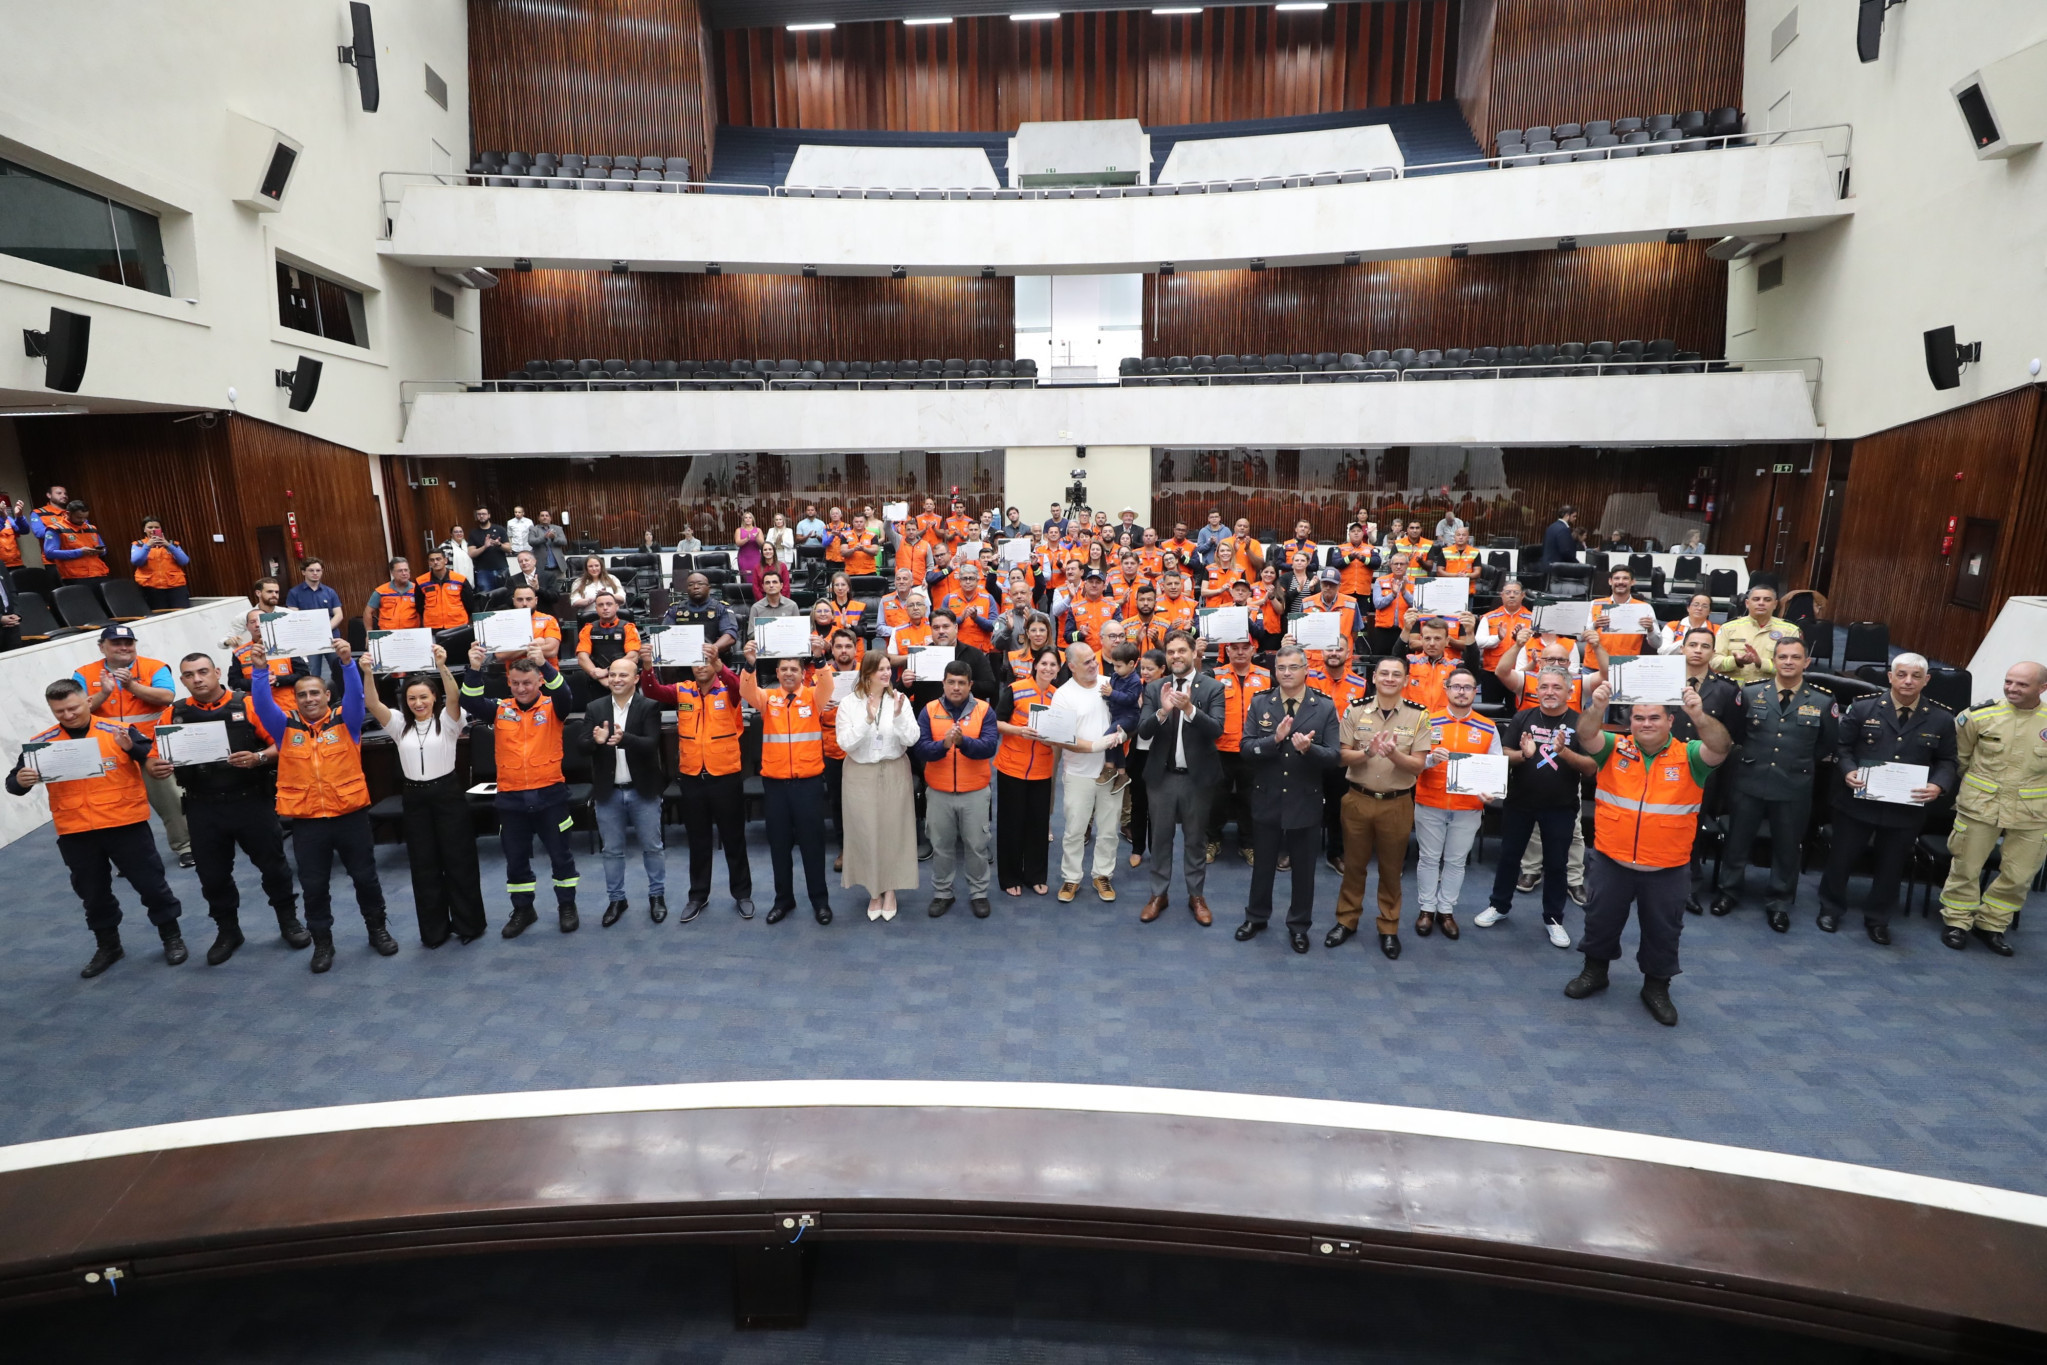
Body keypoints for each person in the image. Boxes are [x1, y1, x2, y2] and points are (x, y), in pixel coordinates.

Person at [1567, 682, 1731, 1026]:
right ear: (1630, 722)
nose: (1645, 723)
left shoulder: (1690, 756)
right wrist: (1597, 707)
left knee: (1663, 931)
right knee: (1600, 921)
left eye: (1654, 717)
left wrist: (1699, 716)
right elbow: (1585, 735)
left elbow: (1721, 746)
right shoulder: (1613, 748)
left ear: (1670, 721)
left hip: (1667, 867)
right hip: (1613, 861)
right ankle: (1595, 972)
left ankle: (1656, 987)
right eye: (1638, 717)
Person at [8, 678, 186, 976]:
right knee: (93, 894)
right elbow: (14, 785)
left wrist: (133, 749)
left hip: (125, 825)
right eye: (59, 711)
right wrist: (20, 781)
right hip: (75, 831)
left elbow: (152, 757)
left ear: (87, 702)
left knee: (151, 886)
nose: (67, 715)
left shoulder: (116, 732)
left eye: (73, 708)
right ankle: (109, 946)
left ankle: (172, 937)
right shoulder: (41, 744)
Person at [247, 640, 397, 973]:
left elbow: (357, 698)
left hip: (350, 816)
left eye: (315, 693)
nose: (309, 699)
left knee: (366, 878)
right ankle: (322, 943)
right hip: (308, 822)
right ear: (295, 700)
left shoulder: (348, 723)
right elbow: (261, 704)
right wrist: (259, 671)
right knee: (314, 887)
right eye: (302, 695)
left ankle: (377, 929)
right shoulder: (285, 728)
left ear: (327, 695)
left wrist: (347, 664)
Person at [148, 651, 304, 963]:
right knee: (213, 875)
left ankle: (288, 921)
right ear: (182, 680)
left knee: (273, 866)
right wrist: (156, 767)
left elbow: (285, 742)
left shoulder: (245, 704)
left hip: (250, 801)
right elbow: (154, 756)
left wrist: (259, 757)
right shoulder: (173, 715)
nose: (198, 679)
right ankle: (228, 930)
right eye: (190, 675)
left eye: (203, 672)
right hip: (202, 806)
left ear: (217, 672)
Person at [1819, 653, 1956, 945]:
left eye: (1916, 676)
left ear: (1926, 680)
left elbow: (1947, 760)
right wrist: (1848, 771)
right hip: (1857, 802)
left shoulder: (1942, 718)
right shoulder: (1862, 707)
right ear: (1890, 677)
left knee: (1892, 867)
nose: (1908, 681)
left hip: (1905, 808)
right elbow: (1842, 748)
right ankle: (1830, 908)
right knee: (1841, 859)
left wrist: (1938, 786)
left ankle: (1878, 919)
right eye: (1902, 674)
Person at [357, 643, 485, 947]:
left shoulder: (449, 721)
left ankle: (469, 925)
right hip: (414, 798)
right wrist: (367, 672)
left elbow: (454, 696)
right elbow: (373, 703)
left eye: (423, 697)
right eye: (412, 698)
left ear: (433, 699)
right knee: (424, 865)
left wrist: (442, 666)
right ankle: (434, 931)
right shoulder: (399, 726)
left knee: (459, 861)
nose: (418, 703)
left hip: (448, 795)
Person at [1713, 636, 1838, 933]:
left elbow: (1826, 745)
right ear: (1775, 660)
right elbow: (1738, 734)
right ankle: (1728, 891)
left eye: (1795, 657)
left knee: (1787, 848)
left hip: (1793, 785)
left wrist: (1796, 763)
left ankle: (1779, 903)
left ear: (1806, 662)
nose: (1789, 662)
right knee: (1737, 841)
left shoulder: (1823, 701)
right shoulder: (1753, 693)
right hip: (1750, 780)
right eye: (1783, 657)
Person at [462, 642, 580, 937]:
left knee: (560, 856)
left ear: (539, 681)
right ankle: (524, 909)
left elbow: (565, 694)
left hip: (550, 795)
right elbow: (470, 701)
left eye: (527, 683)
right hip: (511, 798)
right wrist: (474, 668)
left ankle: (567, 905)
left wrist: (545, 664)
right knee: (515, 860)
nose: (521, 688)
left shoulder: (554, 707)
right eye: (514, 683)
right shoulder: (500, 709)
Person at [1475, 669, 1594, 947]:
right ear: (1536, 690)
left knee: (1556, 865)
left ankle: (1553, 919)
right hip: (1520, 803)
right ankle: (1499, 906)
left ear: (1570, 692)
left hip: (1561, 806)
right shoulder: (1523, 717)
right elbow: (1503, 754)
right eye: (1543, 687)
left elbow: (1591, 768)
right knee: (1508, 857)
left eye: (1556, 687)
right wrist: (1523, 754)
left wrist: (1564, 752)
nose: (1549, 692)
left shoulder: (1580, 723)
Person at [1234, 646, 1340, 952]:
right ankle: (1256, 917)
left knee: (1304, 870)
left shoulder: (1323, 706)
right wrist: (1275, 740)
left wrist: (1310, 750)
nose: (1287, 673)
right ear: (1274, 671)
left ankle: (1298, 925)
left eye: (1293, 667)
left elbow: (1333, 756)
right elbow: (1246, 748)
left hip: (1305, 799)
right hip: (1267, 796)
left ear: (1306, 669)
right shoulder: (1260, 702)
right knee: (1262, 865)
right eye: (1281, 668)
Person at [1937, 661, 2047, 955]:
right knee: (1966, 866)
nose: (2012, 688)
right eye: (2009, 681)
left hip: (2034, 812)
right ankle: (1957, 922)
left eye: (2022, 684)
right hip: (1981, 804)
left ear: (2042, 688)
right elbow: (1959, 760)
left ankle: (1992, 924)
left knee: (2020, 874)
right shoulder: (1978, 716)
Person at [639, 645, 752, 921]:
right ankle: (698, 895)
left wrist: (720, 666)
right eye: (696, 662)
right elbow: (653, 691)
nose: (701, 666)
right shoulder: (683, 690)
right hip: (691, 778)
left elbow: (742, 688)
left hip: (725, 776)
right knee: (698, 841)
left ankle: (742, 893)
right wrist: (646, 668)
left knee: (733, 839)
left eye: (706, 662)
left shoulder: (729, 689)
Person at [1331, 656, 1431, 958]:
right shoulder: (1355, 709)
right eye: (1384, 673)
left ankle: (1388, 927)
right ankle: (1346, 921)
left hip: (1396, 805)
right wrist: (1368, 752)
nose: (1389, 678)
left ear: (1404, 680)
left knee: (1391, 870)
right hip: (1357, 801)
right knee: (1354, 867)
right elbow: (1341, 756)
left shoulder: (1419, 716)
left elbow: (1418, 766)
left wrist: (1393, 756)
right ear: (1374, 677)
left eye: (1396, 674)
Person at [74, 624, 189, 866]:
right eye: (116, 643)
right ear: (102, 647)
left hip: (151, 748)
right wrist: (104, 694)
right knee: (115, 806)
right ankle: (128, 859)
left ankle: (186, 847)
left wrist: (132, 686)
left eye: (129, 643)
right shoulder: (84, 673)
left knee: (171, 800)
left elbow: (167, 697)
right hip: (109, 751)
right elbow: (76, 710)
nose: (124, 647)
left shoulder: (154, 667)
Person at [739, 640, 834, 924]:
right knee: (779, 846)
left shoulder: (814, 697)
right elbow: (746, 691)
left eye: (794, 668)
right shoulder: (768, 699)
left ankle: (820, 902)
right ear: (777, 673)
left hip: (808, 784)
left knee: (812, 846)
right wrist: (750, 663)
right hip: (776, 786)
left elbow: (828, 684)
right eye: (784, 669)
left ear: (801, 673)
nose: (790, 673)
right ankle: (784, 901)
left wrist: (819, 659)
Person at [1136, 632, 1227, 924]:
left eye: (1181, 651)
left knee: (1195, 840)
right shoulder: (1154, 688)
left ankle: (1196, 896)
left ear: (1192, 652)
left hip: (1196, 779)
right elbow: (1144, 731)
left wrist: (1189, 709)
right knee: (1160, 839)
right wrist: (1163, 711)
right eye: (1171, 651)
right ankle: (1158, 895)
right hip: (1161, 779)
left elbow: (1216, 730)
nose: (1176, 656)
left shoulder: (1212, 687)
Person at [1409, 667, 1502, 941]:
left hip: (1468, 807)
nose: (1461, 691)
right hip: (1430, 801)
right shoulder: (1428, 722)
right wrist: (1430, 760)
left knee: (1456, 861)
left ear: (1475, 692)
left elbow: (1494, 768)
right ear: (1446, 690)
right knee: (1427, 858)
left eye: (1468, 687)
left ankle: (1446, 910)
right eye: (1456, 686)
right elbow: (1414, 765)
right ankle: (1426, 908)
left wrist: (1491, 792)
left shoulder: (1488, 727)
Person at [583, 652, 667, 927]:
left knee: (652, 848)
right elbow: (580, 747)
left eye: (623, 675)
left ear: (636, 678)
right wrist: (595, 741)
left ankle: (657, 896)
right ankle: (616, 899)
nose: (617, 679)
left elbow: (651, 744)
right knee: (612, 851)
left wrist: (623, 738)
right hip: (608, 792)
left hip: (642, 790)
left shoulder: (649, 707)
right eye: (613, 674)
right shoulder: (595, 707)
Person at [835, 650, 920, 920]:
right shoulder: (849, 703)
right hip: (859, 775)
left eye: (887, 668)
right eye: (880, 669)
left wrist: (896, 716)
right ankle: (874, 891)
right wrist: (868, 719)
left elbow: (913, 738)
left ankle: (891, 889)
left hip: (894, 771)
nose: (886, 673)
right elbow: (846, 743)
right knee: (866, 832)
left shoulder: (899, 700)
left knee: (894, 831)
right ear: (867, 673)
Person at [915, 659, 999, 919]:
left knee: (976, 846)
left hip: (974, 793)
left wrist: (962, 743)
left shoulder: (985, 711)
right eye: (951, 682)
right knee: (941, 846)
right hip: (938, 792)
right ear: (943, 683)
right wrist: (943, 745)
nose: (956, 687)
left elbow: (988, 748)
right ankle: (943, 893)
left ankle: (978, 893)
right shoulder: (928, 710)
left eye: (962, 683)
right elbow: (921, 750)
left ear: (970, 685)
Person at [1049, 641, 1130, 905]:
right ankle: (1071, 877)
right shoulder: (1063, 695)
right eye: (1086, 663)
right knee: (1074, 829)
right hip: (1078, 773)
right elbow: (1061, 738)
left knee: (1108, 829)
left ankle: (1102, 874)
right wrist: (1097, 745)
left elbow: (1132, 711)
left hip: (1113, 774)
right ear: (1071, 666)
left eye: (1094, 660)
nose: (1094, 665)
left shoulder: (1111, 683)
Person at [994, 647, 1063, 896]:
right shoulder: (1016, 688)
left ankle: (1035, 875)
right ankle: (1009, 876)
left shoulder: (1059, 697)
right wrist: (1019, 731)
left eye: (1053, 665)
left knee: (1037, 825)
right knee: (1011, 825)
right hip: (1012, 766)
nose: (1048, 668)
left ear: (1058, 669)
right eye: (1044, 663)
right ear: (1035, 665)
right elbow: (996, 722)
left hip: (1042, 769)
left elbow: (1063, 733)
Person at [1204, 638, 1272, 864]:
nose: (1241, 652)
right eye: (1235, 648)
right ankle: (1213, 839)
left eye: (1245, 648)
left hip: (1254, 749)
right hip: (1220, 748)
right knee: (1216, 799)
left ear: (1254, 650)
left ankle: (1248, 843)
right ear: (1227, 651)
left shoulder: (1266, 676)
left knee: (1250, 799)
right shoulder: (1215, 675)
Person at [1712, 584, 1798, 686]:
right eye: (1756, 599)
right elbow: (1714, 662)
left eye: (1767, 600)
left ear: (1775, 604)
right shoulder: (1728, 628)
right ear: (1747, 603)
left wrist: (1761, 663)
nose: (1761, 603)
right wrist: (1735, 661)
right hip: (1733, 692)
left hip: (1770, 692)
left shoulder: (1789, 631)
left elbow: (1795, 666)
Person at [284, 557, 345, 685]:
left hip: (331, 637)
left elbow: (338, 615)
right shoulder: (294, 593)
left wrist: (324, 629)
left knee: (338, 669)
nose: (315, 573)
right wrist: (313, 631)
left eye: (318, 570)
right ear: (303, 572)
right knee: (313, 672)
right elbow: (293, 617)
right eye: (311, 570)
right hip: (309, 639)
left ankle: (338, 698)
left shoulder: (330, 592)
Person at [573, 590, 641, 704]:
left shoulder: (628, 628)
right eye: (601, 605)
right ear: (596, 608)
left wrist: (607, 672)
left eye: (609, 604)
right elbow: (582, 658)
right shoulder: (588, 628)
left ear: (617, 606)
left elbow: (633, 657)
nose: (605, 608)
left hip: (624, 682)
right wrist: (600, 678)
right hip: (598, 683)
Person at [668, 572, 739, 662]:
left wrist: (712, 649)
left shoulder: (721, 608)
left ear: (708, 588)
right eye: (691, 584)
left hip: (714, 661)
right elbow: (665, 634)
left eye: (700, 584)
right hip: (683, 660)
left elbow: (730, 635)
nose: (696, 587)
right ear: (687, 589)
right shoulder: (676, 609)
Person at [130, 517, 191, 610]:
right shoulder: (138, 544)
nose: (153, 530)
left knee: (181, 614)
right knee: (159, 615)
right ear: (144, 530)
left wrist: (168, 546)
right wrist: (148, 546)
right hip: (151, 588)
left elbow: (184, 561)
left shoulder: (172, 544)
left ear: (161, 529)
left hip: (175, 586)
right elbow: (136, 561)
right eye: (150, 527)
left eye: (156, 527)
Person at [42, 498, 110, 580]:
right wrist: (79, 552)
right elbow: (49, 553)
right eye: (79, 517)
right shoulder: (56, 529)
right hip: (74, 576)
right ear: (68, 513)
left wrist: (101, 551)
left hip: (99, 572)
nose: (82, 520)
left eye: (85, 518)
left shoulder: (91, 528)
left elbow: (103, 548)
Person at [417, 548, 475, 630]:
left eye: (438, 559)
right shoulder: (421, 581)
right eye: (432, 560)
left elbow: (469, 604)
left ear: (445, 560)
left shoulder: (460, 579)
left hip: (458, 624)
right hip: (433, 626)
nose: (435, 562)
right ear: (429, 563)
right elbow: (419, 606)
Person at [366, 557, 422, 632]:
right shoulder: (381, 591)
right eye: (400, 571)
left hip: (412, 633)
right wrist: (369, 632)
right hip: (388, 634)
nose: (404, 573)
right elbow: (368, 612)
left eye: (406, 570)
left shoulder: (417, 589)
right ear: (392, 573)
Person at [467, 507, 509, 593]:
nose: (481, 516)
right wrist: (485, 547)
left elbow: (509, 549)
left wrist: (499, 544)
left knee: (505, 595)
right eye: (479, 514)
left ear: (489, 515)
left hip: (501, 569)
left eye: (484, 514)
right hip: (483, 571)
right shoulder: (473, 533)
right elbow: (471, 553)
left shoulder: (500, 529)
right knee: (486, 597)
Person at [531, 509, 568, 574]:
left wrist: (554, 538)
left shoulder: (558, 528)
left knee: (560, 584)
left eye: (547, 516)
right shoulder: (533, 529)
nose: (544, 517)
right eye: (542, 516)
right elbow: (531, 541)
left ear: (550, 518)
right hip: (542, 568)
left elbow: (564, 542)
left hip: (558, 568)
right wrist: (544, 538)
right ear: (539, 518)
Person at [735, 511, 764, 590]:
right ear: (743, 519)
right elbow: (738, 543)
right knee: (745, 577)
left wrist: (757, 538)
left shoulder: (758, 530)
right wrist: (747, 539)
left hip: (756, 556)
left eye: (750, 517)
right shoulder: (739, 530)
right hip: (743, 557)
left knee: (756, 575)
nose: (748, 519)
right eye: (746, 518)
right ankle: (746, 593)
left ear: (752, 519)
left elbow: (762, 544)